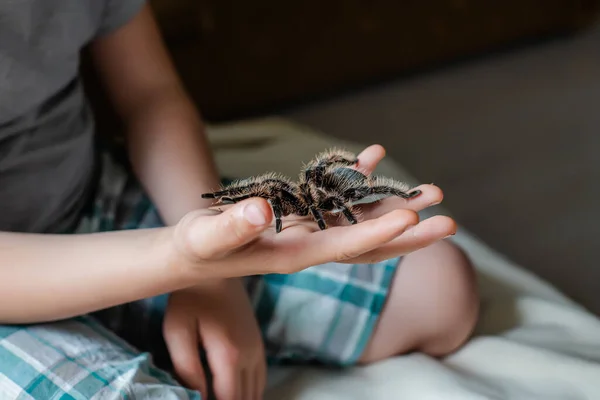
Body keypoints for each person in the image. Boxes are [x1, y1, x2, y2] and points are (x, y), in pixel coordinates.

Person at [0, 2, 479, 399]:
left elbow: (152, 94)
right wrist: (183, 261)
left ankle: (149, 336)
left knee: (439, 288)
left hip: (91, 203)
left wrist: (212, 258)